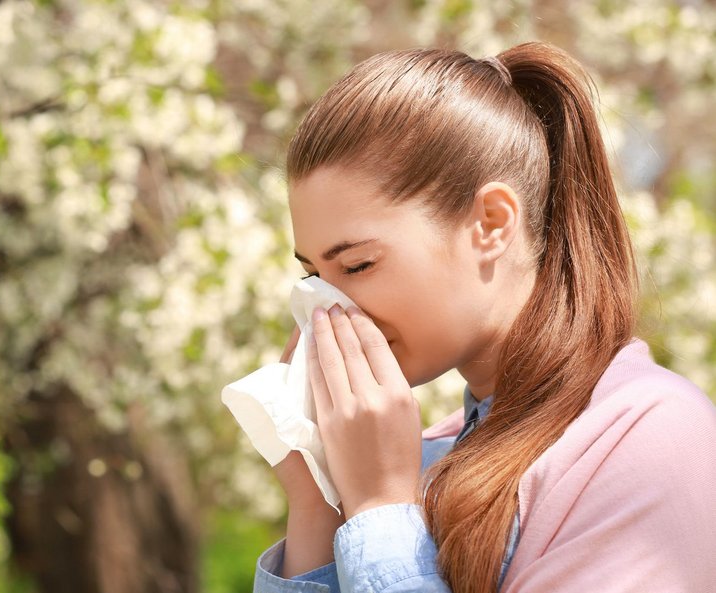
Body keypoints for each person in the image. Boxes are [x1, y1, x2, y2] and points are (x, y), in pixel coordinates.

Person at [250, 41, 716, 593]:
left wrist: (379, 507)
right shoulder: (428, 454)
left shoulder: (646, 438)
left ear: (491, 224)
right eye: (313, 277)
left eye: (357, 264)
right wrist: (318, 503)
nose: (330, 309)